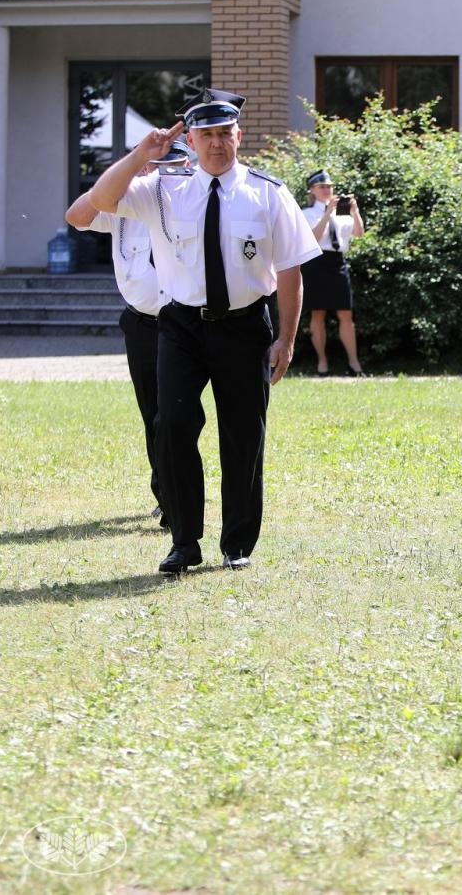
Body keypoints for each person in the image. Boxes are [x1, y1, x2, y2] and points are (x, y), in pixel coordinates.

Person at [86, 90, 320, 574]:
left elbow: (291, 269)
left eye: (224, 133)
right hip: (181, 326)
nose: (216, 143)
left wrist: (287, 338)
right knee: (171, 425)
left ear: (239, 136)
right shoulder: (164, 191)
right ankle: (184, 541)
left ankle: (237, 544)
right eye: (206, 134)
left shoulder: (268, 192)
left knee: (243, 434)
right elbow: (100, 201)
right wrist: (141, 154)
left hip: (245, 325)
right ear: (190, 141)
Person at [66, 141, 181, 525]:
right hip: (141, 323)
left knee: (175, 414)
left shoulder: (189, 204)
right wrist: (125, 171)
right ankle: (166, 494)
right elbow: (76, 216)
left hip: (182, 323)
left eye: (167, 166)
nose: (156, 173)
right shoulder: (122, 204)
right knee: (153, 414)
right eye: (151, 166)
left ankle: (178, 496)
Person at [300, 169, 367, 376]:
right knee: (317, 313)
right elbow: (313, 238)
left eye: (329, 186)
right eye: (322, 187)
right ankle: (322, 363)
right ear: (312, 190)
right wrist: (327, 213)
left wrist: (355, 211)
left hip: (337, 263)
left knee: (346, 313)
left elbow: (359, 233)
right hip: (316, 263)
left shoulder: (343, 212)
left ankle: (354, 364)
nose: (326, 190)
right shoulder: (306, 213)